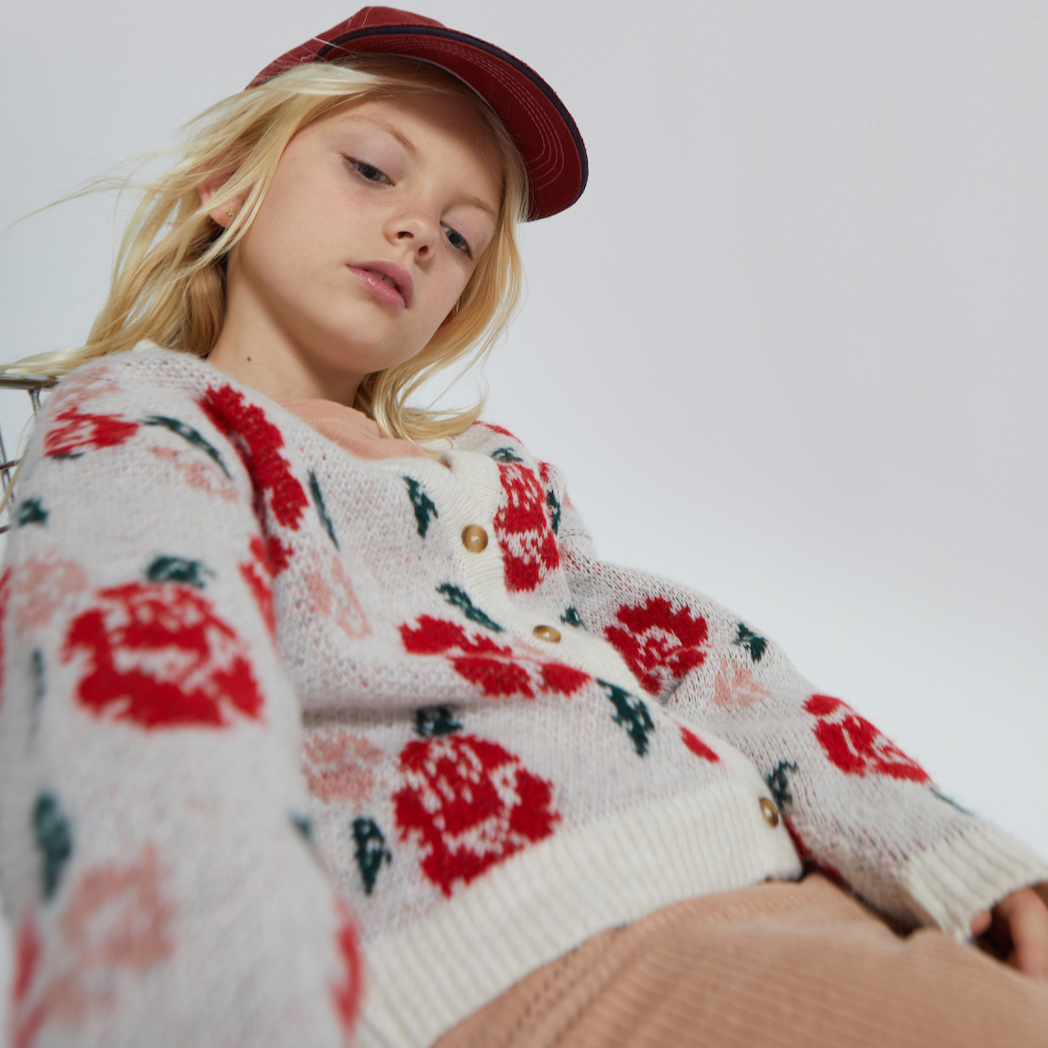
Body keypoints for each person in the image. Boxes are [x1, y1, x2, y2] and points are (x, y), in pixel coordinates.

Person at [0, 7, 1045, 1047]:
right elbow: (144, 746)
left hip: (792, 898)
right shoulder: (146, 415)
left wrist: (945, 852)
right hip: (574, 963)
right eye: (371, 169)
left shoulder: (497, 474)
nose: (418, 228)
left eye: (461, 235)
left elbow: (704, 664)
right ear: (229, 179)